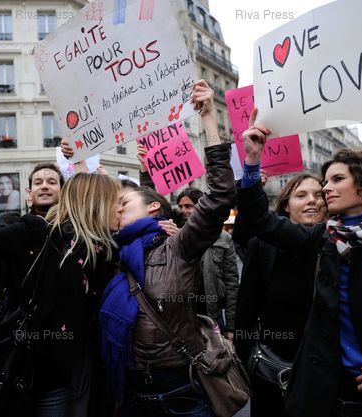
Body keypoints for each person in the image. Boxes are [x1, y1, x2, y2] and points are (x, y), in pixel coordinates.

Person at [235, 108, 362, 417]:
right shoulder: (325, 237)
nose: (325, 188)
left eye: (337, 179)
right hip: (328, 392)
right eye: (325, 180)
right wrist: (252, 159)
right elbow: (260, 221)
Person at [99, 79, 236, 417]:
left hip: (180, 394)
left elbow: (219, 197)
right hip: (131, 397)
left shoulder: (178, 248)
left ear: (152, 209)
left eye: (124, 203)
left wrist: (208, 119)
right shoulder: (114, 253)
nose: (116, 209)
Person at [0, 173, 122, 417]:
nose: (120, 209)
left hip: (71, 373)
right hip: (33, 371)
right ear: (96, 203)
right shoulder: (41, 235)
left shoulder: (102, 251)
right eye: (116, 202)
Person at [233, 173, 326, 417]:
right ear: (286, 205)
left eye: (319, 195)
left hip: (326, 378)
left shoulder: (341, 244)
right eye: (301, 195)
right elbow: (246, 309)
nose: (312, 201)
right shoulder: (262, 246)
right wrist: (246, 362)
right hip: (272, 374)